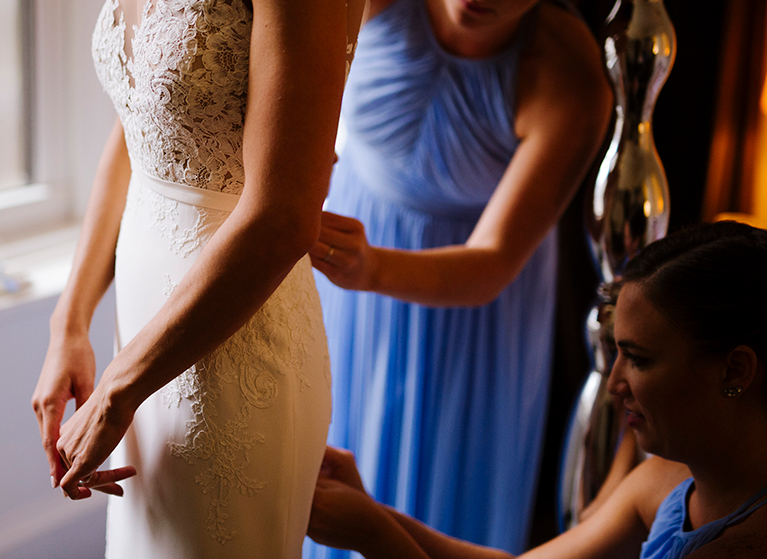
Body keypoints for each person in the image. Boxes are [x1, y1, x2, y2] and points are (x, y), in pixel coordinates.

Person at [30, 0, 368, 555]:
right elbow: (137, 132)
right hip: (144, 350)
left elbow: (282, 217)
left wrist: (117, 391)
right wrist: (68, 324)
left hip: (230, 356)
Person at [303, 0, 615, 553]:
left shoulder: (569, 77)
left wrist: (374, 266)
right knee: (315, 474)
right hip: (342, 258)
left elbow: (495, 260)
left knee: (433, 503)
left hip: (468, 313)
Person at [307, 220, 767, 559]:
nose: (614, 384)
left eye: (640, 359)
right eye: (617, 356)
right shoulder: (667, 481)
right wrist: (372, 511)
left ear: (735, 370)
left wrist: (372, 537)